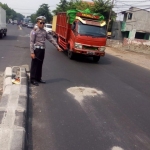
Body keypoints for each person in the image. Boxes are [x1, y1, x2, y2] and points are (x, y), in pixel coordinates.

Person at [30, 16, 62, 86]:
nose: (42, 24)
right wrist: (32, 52)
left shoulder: (44, 31)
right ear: (37, 22)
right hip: (36, 50)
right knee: (34, 65)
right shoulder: (34, 31)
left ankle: (38, 78)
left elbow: (51, 39)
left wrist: (57, 46)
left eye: (43, 23)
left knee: (40, 64)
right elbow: (31, 42)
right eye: (41, 23)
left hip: (42, 50)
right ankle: (32, 79)